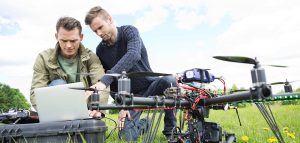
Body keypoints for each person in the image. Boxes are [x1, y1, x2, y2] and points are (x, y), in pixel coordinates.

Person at [85, 6, 177, 141]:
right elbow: (114, 86)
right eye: (95, 31)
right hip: (131, 99)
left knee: (169, 80)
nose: (99, 33)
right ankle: (144, 124)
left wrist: (104, 80)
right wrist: (122, 105)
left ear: (109, 19)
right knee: (126, 137)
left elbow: (133, 55)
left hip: (151, 86)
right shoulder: (100, 50)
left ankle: (171, 131)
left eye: (100, 27)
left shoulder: (129, 31)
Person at [30, 16, 109, 113]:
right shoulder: (43, 58)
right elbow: (36, 93)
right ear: (56, 37)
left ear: (81, 37)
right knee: (58, 84)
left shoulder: (91, 57)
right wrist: (47, 112)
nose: (68, 46)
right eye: (63, 40)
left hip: (85, 107)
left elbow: (101, 83)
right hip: (56, 109)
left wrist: (98, 110)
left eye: (73, 41)